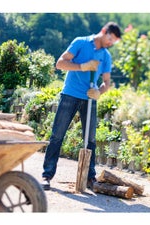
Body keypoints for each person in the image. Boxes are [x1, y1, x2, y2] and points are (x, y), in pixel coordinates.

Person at [42, 21, 122, 190]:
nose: (110, 43)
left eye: (113, 42)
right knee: (57, 135)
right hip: (70, 94)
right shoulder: (80, 42)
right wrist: (82, 66)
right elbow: (60, 63)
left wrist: (99, 92)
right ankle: (47, 175)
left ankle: (89, 177)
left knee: (91, 140)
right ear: (103, 31)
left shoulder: (106, 56)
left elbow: (106, 82)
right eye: (110, 38)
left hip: (89, 99)